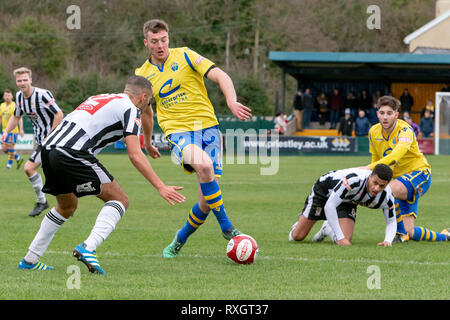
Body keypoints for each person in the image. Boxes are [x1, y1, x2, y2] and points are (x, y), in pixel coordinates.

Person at [17, 76, 186, 273]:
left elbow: (147, 113)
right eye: (148, 101)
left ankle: (30, 259)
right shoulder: (130, 110)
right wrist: (160, 186)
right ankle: (88, 247)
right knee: (120, 199)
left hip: (48, 149)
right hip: (72, 151)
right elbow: (134, 154)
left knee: (67, 207)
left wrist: (148, 142)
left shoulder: (101, 97)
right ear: (143, 97)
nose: (148, 107)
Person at [135, 19, 252, 259]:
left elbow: (221, 75)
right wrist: (147, 141)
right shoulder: (141, 75)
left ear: (169, 38)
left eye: (164, 40)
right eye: (154, 41)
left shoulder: (186, 55)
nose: (160, 45)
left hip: (208, 129)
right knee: (204, 165)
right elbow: (147, 112)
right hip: (178, 133)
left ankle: (180, 239)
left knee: (206, 202)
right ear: (146, 43)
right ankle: (227, 227)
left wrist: (231, 101)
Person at [365, 96, 448, 242]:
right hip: (401, 181)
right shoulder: (373, 131)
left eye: (389, 113)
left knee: (387, 190)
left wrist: (368, 168)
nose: (385, 117)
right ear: (377, 113)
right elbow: (376, 161)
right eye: (382, 113)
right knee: (411, 231)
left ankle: (400, 234)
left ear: (396, 115)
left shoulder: (405, 130)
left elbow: (395, 156)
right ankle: (446, 236)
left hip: (420, 174)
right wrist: (371, 175)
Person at [1, 67, 64, 217]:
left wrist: (51, 135)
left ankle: (48, 202)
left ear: (30, 80)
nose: (22, 83)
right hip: (41, 140)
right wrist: (6, 132)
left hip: (54, 140)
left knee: (32, 168)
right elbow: (16, 116)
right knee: (43, 170)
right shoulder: (19, 97)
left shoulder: (42, 95)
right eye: (19, 80)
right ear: (16, 82)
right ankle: (52, 203)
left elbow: (59, 113)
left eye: (24, 80)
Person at [288, 164, 397, 246]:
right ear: (370, 177)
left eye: (381, 186)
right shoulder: (354, 180)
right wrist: (340, 238)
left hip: (348, 199)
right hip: (325, 190)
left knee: (347, 240)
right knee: (298, 236)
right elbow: (329, 205)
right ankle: (301, 222)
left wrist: (387, 241)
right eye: (375, 183)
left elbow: (391, 221)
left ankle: (327, 228)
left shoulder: (387, 196)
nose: (376, 188)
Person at [0, 89, 24, 169]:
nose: (7, 97)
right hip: (4, 131)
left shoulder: (14, 105)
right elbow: (1, 117)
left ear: (12, 96)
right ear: (3, 97)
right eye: (6, 95)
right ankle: (16, 160)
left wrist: (21, 129)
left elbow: (19, 118)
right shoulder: (2, 105)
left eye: (9, 95)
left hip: (12, 130)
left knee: (9, 147)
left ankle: (11, 163)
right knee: (5, 149)